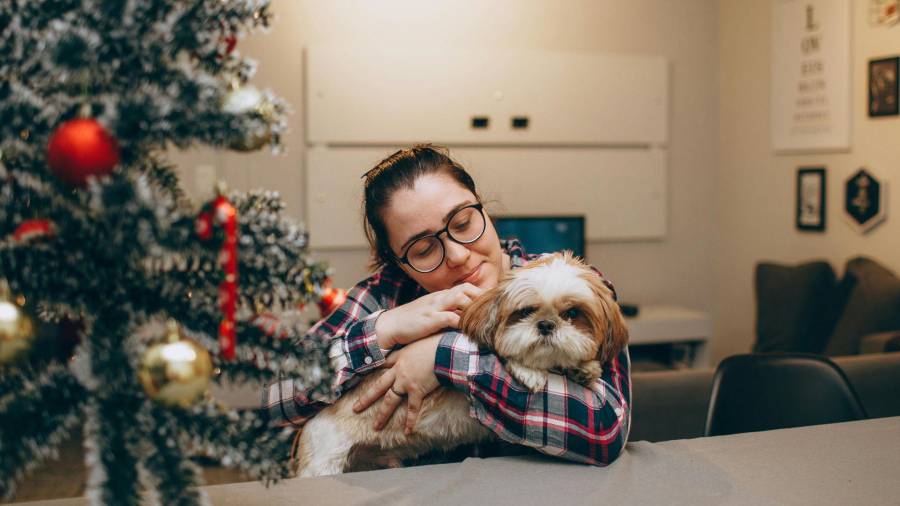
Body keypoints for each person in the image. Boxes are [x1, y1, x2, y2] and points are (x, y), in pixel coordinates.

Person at [263, 144, 631, 466]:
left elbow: (606, 431)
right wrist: (385, 328)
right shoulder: (387, 294)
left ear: (484, 209)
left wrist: (442, 357)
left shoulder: (575, 282)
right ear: (398, 263)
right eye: (423, 250)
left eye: (463, 221)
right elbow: (275, 398)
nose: (457, 255)